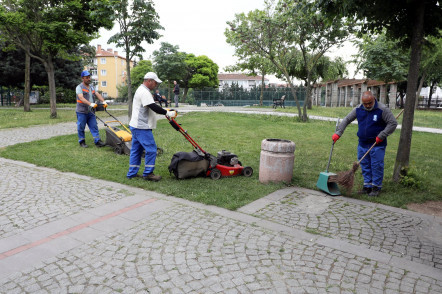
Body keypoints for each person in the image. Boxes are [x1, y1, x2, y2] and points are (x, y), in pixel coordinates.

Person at [332, 91, 397, 197]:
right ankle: (367, 186)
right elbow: (347, 119)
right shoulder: (358, 109)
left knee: (376, 166)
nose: (367, 106)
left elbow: (393, 123)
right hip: (362, 143)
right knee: (365, 165)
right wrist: (338, 133)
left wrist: (382, 135)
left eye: (369, 103)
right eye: (365, 103)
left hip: (377, 144)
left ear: (374, 99)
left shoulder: (382, 109)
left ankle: (376, 187)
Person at [127, 72, 177, 181]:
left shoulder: (142, 90)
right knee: (151, 149)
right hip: (141, 126)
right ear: (149, 81)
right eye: (155, 83)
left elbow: (152, 106)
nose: (156, 85)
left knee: (136, 150)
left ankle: (132, 173)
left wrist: (165, 110)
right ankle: (148, 174)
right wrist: (167, 113)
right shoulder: (144, 92)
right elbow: (153, 106)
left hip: (136, 125)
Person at [76, 70, 107, 148]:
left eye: (89, 77)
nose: (89, 79)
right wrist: (90, 104)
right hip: (82, 111)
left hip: (91, 111)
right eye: (87, 78)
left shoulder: (92, 87)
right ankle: (82, 141)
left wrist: (103, 101)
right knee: (81, 127)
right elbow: (81, 98)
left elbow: (97, 94)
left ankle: (97, 141)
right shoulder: (79, 87)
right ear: (82, 78)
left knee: (94, 126)